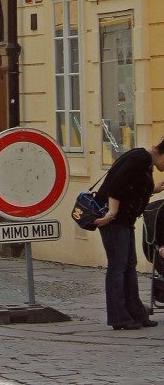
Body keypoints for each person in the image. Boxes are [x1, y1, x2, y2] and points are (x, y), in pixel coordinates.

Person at [93, 137, 164, 330]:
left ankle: (136, 313)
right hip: (114, 221)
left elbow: (131, 188)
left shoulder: (145, 162)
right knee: (118, 266)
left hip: (124, 221)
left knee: (129, 265)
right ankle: (119, 317)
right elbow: (116, 186)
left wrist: (153, 188)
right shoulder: (139, 159)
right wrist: (112, 213)